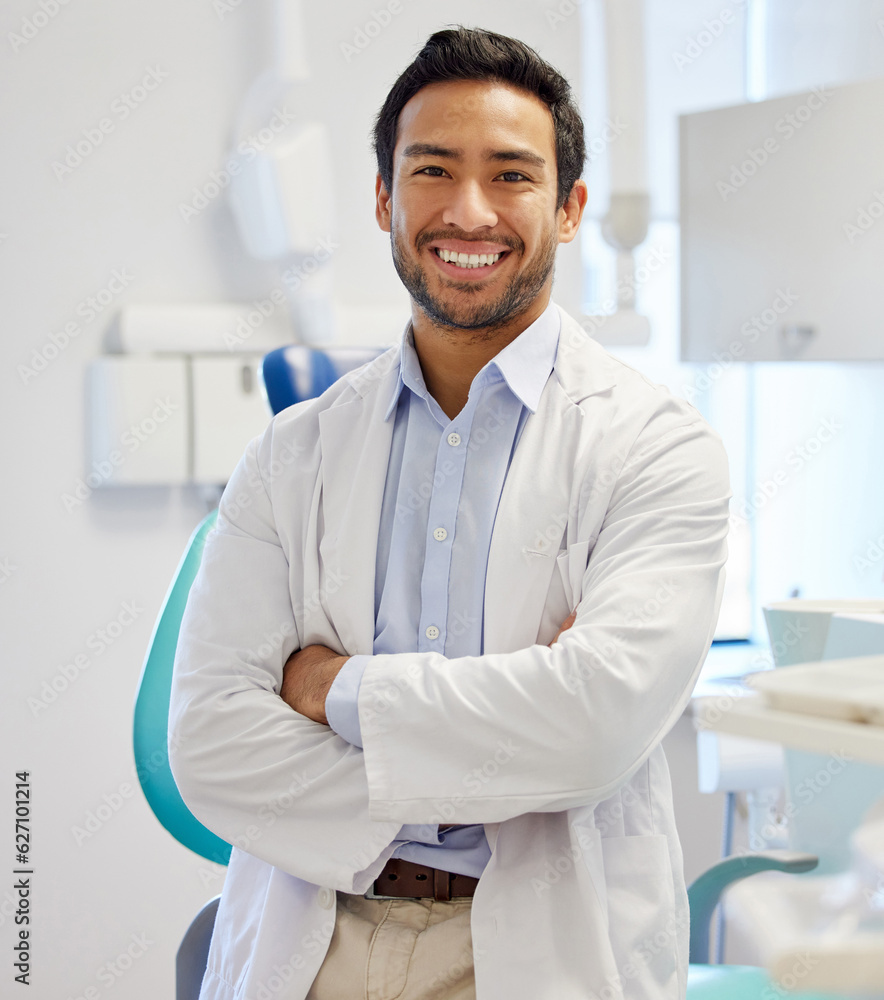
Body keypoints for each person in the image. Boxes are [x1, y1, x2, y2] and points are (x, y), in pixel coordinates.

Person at [169, 25, 731, 1000]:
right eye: (432, 169)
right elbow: (210, 744)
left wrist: (332, 691)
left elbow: (591, 728)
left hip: (530, 947)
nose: (467, 210)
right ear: (385, 199)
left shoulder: (656, 449)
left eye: (511, 175)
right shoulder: (289, 454)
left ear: (567, 210)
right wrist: (509, 758)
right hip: (313, 938)